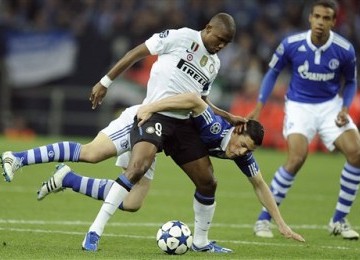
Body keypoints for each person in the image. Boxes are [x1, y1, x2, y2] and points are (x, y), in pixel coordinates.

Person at [36, 93, 304, 244]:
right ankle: (94, 231)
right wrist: (149, 107)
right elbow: (196, 100)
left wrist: (281, 224)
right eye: (243, 144)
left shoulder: (241, 154)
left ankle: (68, 179)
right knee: (94, 154)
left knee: (132, 202)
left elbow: (260, 184)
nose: (241, 152)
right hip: (148, 120)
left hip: (163, 142)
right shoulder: (213, 126)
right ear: (238, 130)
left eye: (248, 151)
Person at [80, 12, 243, 252]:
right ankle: (94, 231)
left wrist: (227, 115)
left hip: (183, 123)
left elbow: (201, 99)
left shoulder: (214, 64)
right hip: (154, 114)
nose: (221, 46)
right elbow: (135, 53)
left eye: (226, 43)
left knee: (208, 182)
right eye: (219, 39)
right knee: (137, 168)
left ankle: (201, 243)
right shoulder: (180, 37)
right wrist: (105, 82)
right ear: (208, 28)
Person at [247, 0, 360, 240]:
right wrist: (259, 106)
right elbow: (273, 72)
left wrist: (344, 107)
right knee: (297, 158)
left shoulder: (344, 49)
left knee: (356, 153)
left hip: (330, 107)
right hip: (299, 106)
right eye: (317, 16)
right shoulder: (291, 44)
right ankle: (263, 220)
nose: (320, 22)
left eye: (326, 18)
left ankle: (338, 220)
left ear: (333, 21)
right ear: (310, 18)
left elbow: (350, 81)